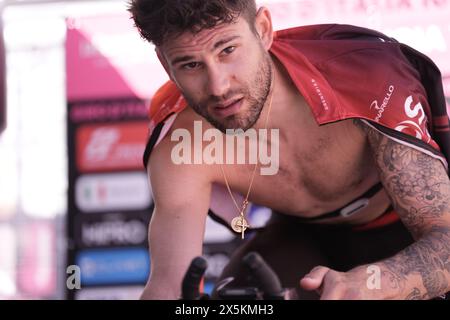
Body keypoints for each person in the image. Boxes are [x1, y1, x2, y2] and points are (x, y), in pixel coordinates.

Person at [128, 0, 450, 300]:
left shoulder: (367, 78)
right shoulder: (179, 142)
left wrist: (373, 283)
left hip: (403, 228)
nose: (218, 87)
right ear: (166, 65)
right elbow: (169, 286)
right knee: (241, 300)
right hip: (303, 235)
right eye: (190, 65)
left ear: (263, 30)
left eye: (227, 50)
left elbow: (446, 245)